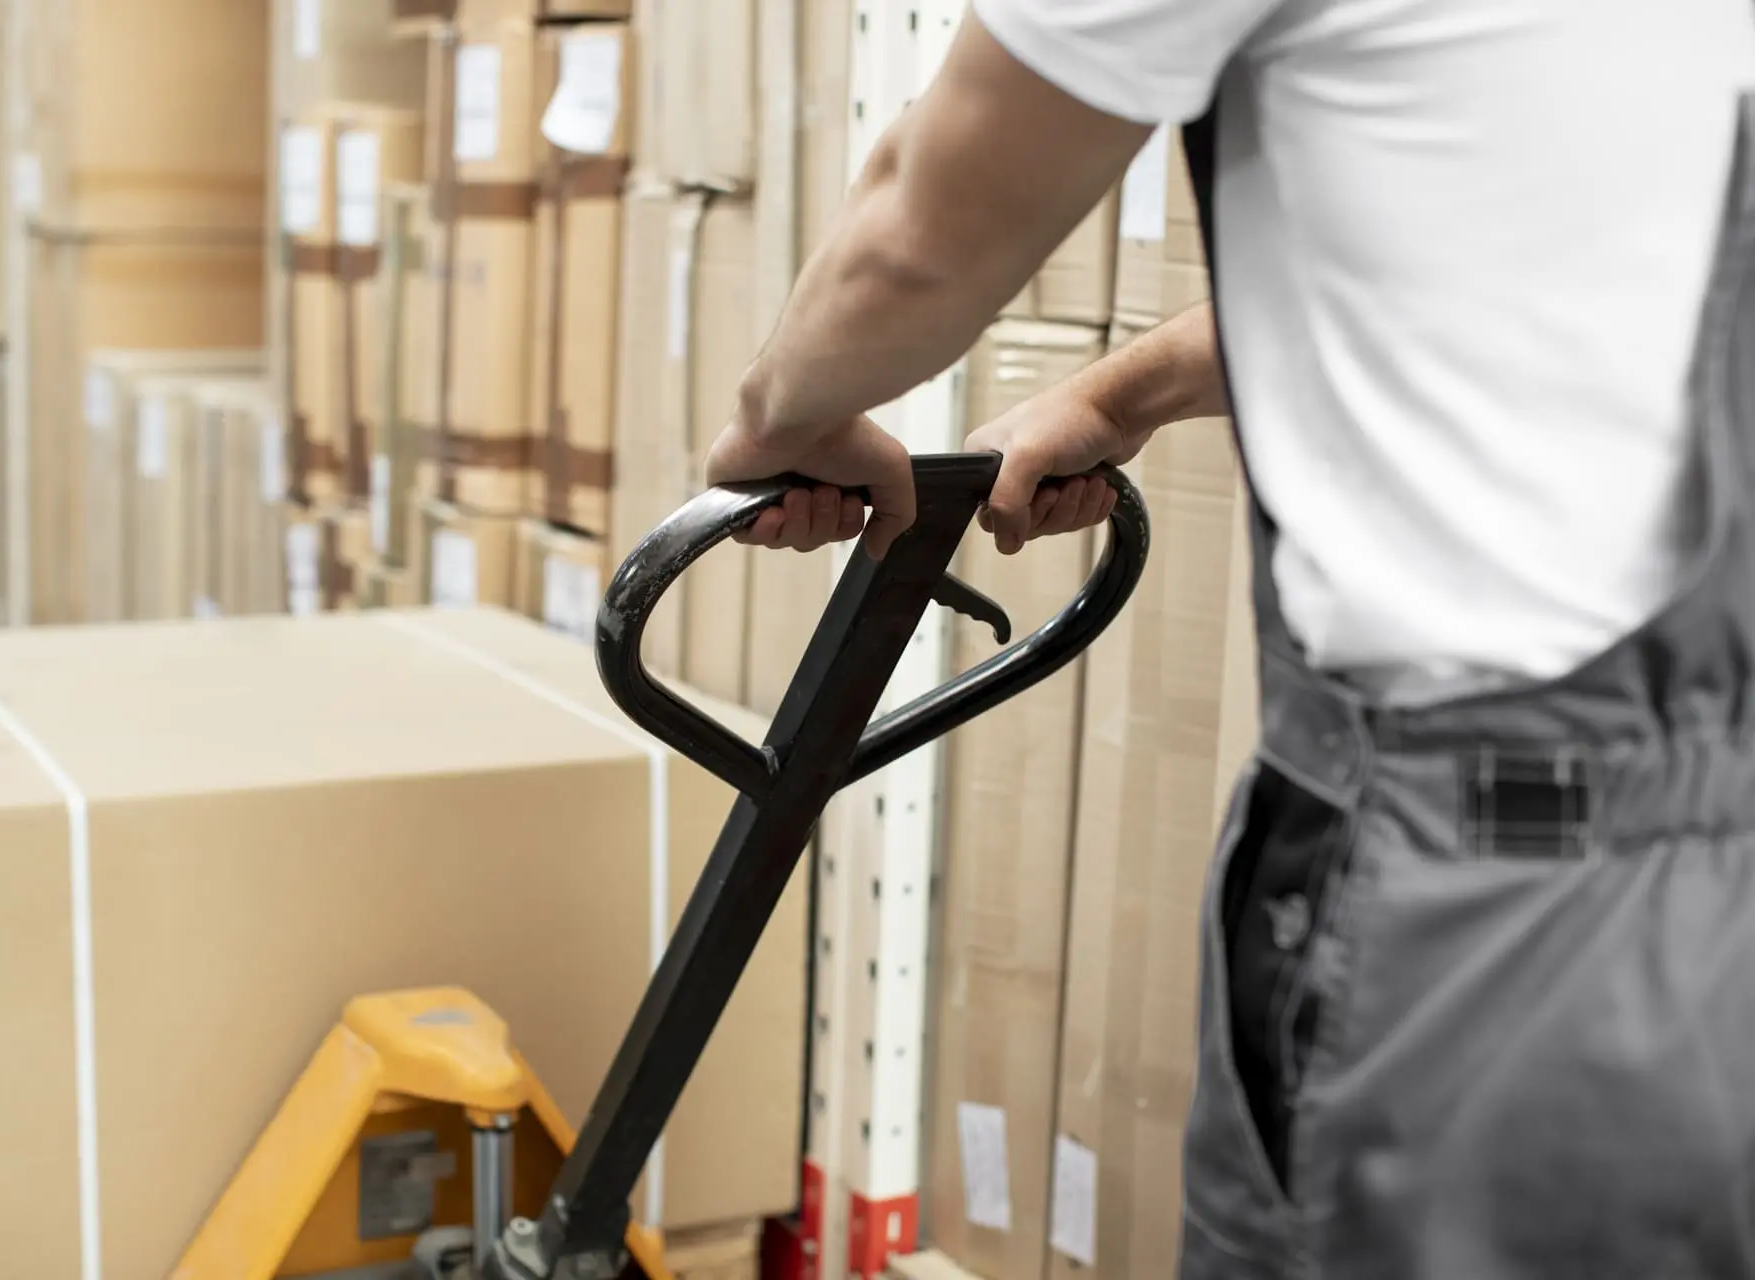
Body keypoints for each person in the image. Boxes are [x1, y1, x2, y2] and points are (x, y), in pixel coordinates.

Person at [702, 0, 1755, 1276]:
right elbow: (1508, 245)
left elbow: (918, 239)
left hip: (1485, 910)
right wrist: (1114, 393)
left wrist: (779, 422)